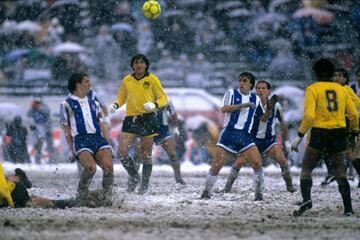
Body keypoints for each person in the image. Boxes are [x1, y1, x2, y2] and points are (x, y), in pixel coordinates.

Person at [291, 58, 358, 217]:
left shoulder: (313, 89)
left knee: (306, 169)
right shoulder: (342, 89)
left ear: (316, 73)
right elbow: (354, 114)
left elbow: (308, 116)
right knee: (340, 171)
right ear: (331, 73)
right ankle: (348, 208)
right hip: (338, 133)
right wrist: (354, 132)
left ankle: (307, 200)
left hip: (319, 133)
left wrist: (299, 136)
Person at [220, 80, 295, 193]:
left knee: (282, 160)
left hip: (269, 141)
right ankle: (227, 188)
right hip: (252, 140)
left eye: (263, 88)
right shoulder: (252, 102)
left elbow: (282, 123)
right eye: (258, 88)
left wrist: (287, 141)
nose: (260, 90)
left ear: (268, 90)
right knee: (239, 163)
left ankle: (290, 187)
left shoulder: (276, 106)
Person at [200, 72, 265, 201]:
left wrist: (269, 109)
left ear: (251, 84)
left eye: (245, 81)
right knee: (217, 166)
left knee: (257, 164)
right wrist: (242, 105)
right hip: (229, 133)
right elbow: (224, 109)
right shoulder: (232, 93)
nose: (241, 83)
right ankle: (206, 193)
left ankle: (259, 196)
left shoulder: (256, 99)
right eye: (240, 80)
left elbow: (262, 118)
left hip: (245, 136)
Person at [109, 54, 168, 194]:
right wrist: (116, 105)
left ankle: (144, 185)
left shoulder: (152, 79)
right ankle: (135, 176)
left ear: (146, 65)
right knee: (122, 152)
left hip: (148, 118)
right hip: (130, 118)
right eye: (136, 63)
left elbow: (163, 98)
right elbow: (121, 97)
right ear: (132, 65)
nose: (139, 65)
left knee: (145, 154)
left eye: (141, 63)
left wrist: (153, 104)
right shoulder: (127, 80)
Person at [60, 73, 114, 206]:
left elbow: (101, 124)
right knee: (91, 168)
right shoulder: (66, 104)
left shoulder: (94, 103)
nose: (89, 84)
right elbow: (66, 127)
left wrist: (108, 142)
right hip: (81, 139)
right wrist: (70, 148)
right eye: (86, 82)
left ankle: (107, 197)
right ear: (77, 84)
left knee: (108, 167)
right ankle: (82, 194)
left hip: (97, 138)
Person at [153, 100, 185, 185]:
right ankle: (135, 178)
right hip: (147, 129)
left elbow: (174, 114)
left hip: (163, 130)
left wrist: (175, 129)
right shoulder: (145, 96)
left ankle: (179, 179)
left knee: (172, 154)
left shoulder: (166, 100)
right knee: (141, 155)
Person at [27, 97, 56, 164]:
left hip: (47, 130)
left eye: (38, 103)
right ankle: (38, 160)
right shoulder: (32, 110)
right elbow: (29, 116)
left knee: (50, 146)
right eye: (35, 103)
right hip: (39, 131)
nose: (36, 104)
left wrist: (39, 108)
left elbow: (47, 113)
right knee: (39, 146)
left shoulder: (44, 108)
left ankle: (53, 160)